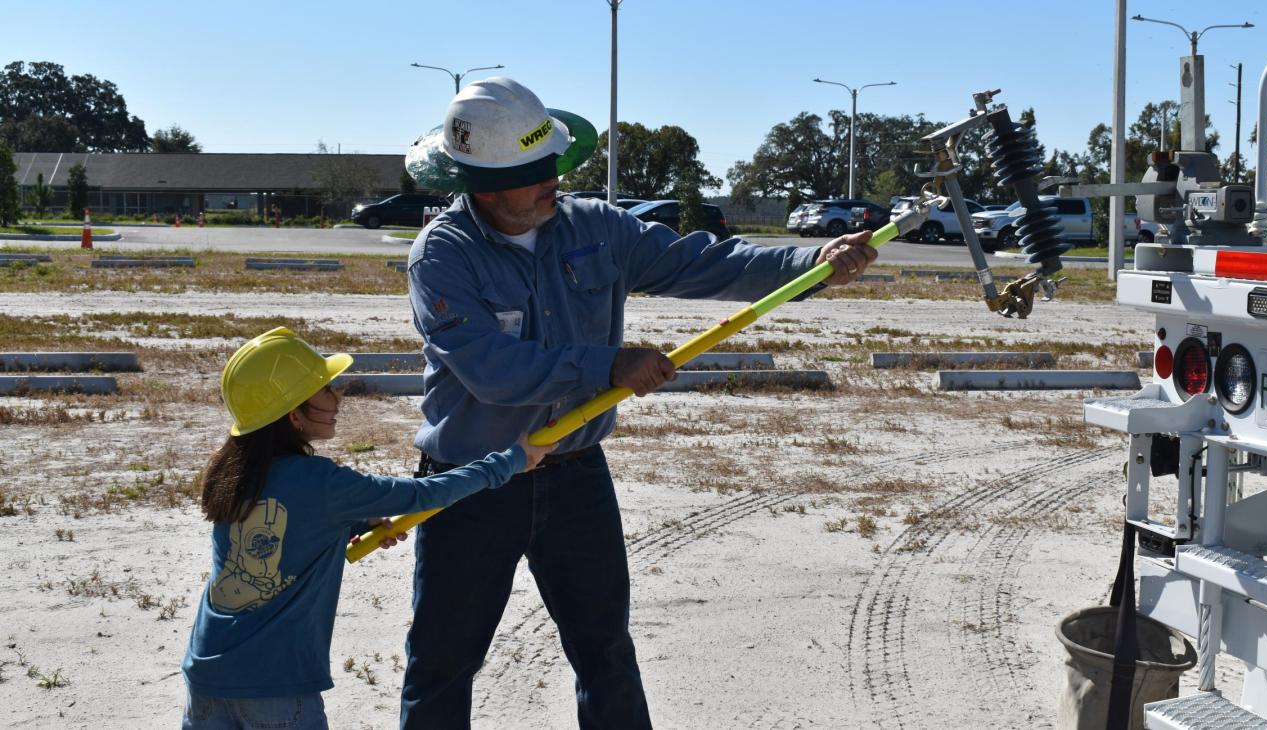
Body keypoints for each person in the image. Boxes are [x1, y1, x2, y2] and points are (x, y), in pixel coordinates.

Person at [399, 77, 879, 729]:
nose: (556, 182)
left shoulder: (595, 228)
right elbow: (492, 371)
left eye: (556, 165)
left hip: (574, 478)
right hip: (472, 484)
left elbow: (711, 263)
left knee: (606, 655)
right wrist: (608, 366)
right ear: (485, 185)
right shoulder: (443, 256)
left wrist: (812, 261)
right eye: (538, 173)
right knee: (441, 666)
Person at [180, 326, 554, 729]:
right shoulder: (322, 483)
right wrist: (511, 461)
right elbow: (423, 494)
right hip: (275, 683)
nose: (336, 397)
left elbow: (286, 526)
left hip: (207, 672)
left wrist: (354, 520)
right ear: (293, 414)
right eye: (324, 390)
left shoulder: (233, 472)